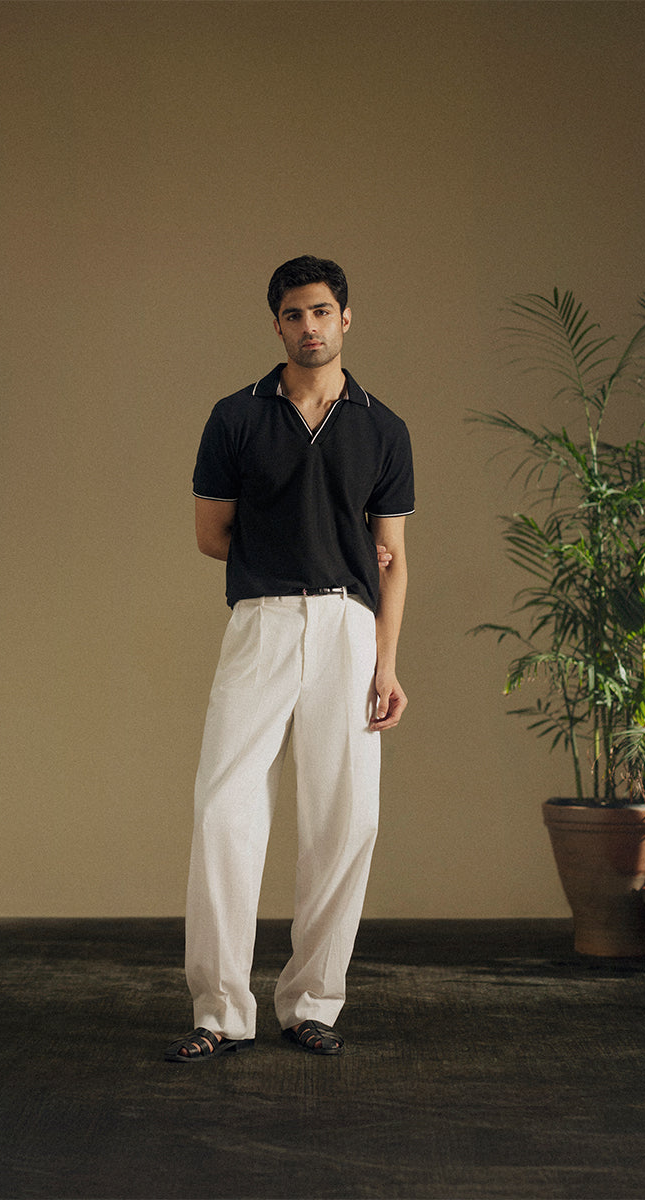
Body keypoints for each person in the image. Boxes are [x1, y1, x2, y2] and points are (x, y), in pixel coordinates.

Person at [165, 255, 414, 1062]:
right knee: (223, 810)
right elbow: (212, 536)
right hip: (262, 621)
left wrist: (386, 664)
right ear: (276, 324)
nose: (310, 326)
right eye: (295, 314)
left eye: (322, 311)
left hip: (349, 629)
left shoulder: (383, 428)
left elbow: (394, 559)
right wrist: (300, 544)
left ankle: (311, 1003)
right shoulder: (235, 417)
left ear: (346, 318)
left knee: (348, 819)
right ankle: (220, 1011)